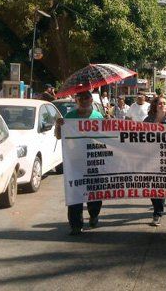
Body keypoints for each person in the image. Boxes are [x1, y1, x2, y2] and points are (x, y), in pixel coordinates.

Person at [55, 90, 106, 235]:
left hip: (94, 160)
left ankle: (94, 214)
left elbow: (107, 138)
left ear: (91, 100)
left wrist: (109, 124)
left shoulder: (98, 117)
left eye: (86, 98)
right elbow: (59, 136)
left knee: (94, 194)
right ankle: (76, 225)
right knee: (75, 193)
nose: (84, 101)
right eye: (80, 98)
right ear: (76, 101)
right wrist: (59, 125)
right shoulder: (69, 117)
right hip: (74, 161)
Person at [144, 95, 166, 226]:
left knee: (161, 186)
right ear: (155, 105)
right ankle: (156, 207)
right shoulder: (148, 120)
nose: (162, 105)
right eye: (159, 103)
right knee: (152, 187)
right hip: (149, 159)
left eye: (164, 103)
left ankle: (157, 213)